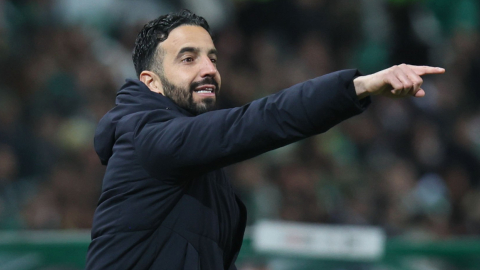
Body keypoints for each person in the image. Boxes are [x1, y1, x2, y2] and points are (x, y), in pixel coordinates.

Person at [85, 9, 444, 270]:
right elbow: (261, 120)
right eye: (188, 59)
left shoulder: (190, 155)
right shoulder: (146, 137)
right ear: (151, 82)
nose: (209, 68)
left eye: (212, 58)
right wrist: (359, 86)